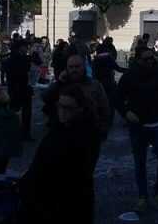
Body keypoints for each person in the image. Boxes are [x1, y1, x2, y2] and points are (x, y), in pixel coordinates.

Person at [18, 86, 101, 223]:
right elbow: (46, 97)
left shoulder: (85, 135)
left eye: (68, 108)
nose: (62, 112)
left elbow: (73, 173)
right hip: (46, 200)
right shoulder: (59, 127)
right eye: (60, 106)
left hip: (63, 203)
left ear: (80, 109)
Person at [116, 48, 158, 213]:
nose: (150, 61)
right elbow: (117, 98)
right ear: (138, 60)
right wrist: (126, 112)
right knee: (140, 162)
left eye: (152, 58)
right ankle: (142, 196)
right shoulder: (130, 76)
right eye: (146, 59)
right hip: (138, 126)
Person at [42, 55, 110, 137]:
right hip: (63, 134)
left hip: (88, 134)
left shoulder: (95, 85)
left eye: (77, 67)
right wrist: (59, 83)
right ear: (67, 68)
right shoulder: (61, 83)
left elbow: (104, 109)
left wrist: (102, 130)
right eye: (71, 67)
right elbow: (46, 98)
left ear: (84, 67)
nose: (74, 70)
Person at [4, 39, 34, 141]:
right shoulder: (20, 58)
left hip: (15, 88)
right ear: (21, 47)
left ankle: (14, 132)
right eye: (26, 46)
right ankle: (23, 133)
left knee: (15, 111)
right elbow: (25, 72)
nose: (27, 48)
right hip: (20, 88)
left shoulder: (11, 58)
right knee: (24, 112)